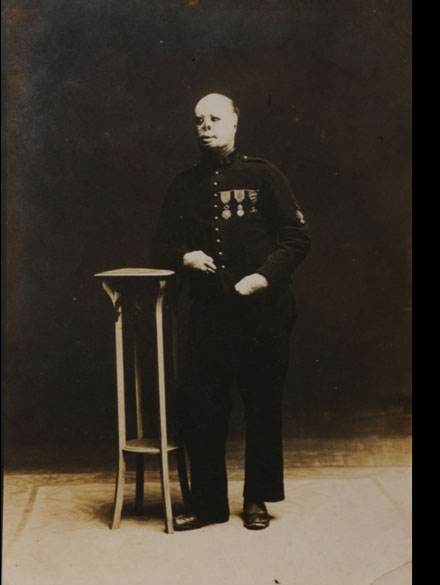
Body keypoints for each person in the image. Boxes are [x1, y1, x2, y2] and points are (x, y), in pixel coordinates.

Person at [150, 93, 311, 531]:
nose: (206, 126)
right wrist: (184, 258)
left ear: (235, 122)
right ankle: (208, 505)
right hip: (209, 316)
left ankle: (256, 498)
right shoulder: (183, 184)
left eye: (215, 118)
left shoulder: (263, 174)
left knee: (261, 406)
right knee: (201, 408)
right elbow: (160, 245)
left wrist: (262, 277)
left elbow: (296, 238)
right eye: (199, 119)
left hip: (264, 313)